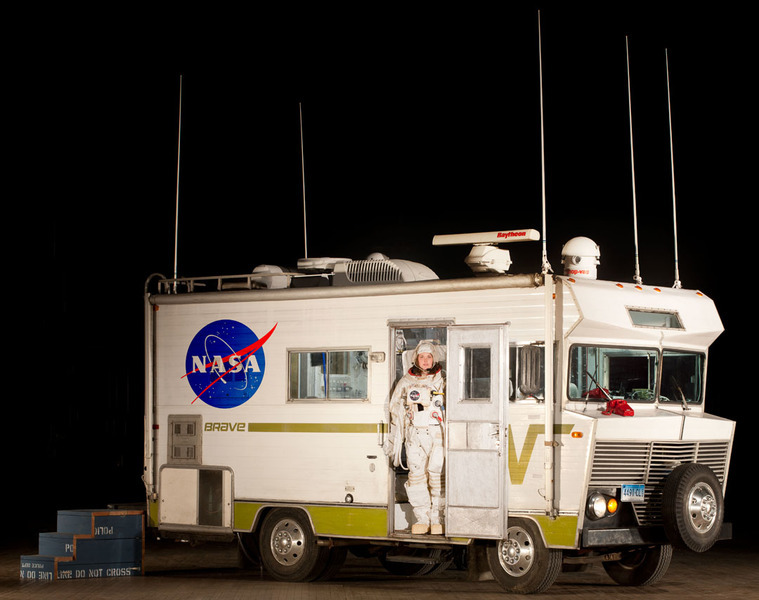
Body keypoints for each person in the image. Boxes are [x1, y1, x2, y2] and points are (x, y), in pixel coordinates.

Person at [385, 341, 445, 535]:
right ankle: (422, 519)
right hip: (414, 435)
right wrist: (393, 440)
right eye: (422, 357)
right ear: (416, 359)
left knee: (437, 475)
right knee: (417, 476)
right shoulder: (406, 382)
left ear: (434, 358)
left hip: (437, 434)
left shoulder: (442, 380)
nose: (425, 361)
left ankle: (437, 518)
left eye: (429, 357)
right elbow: (394, 409)